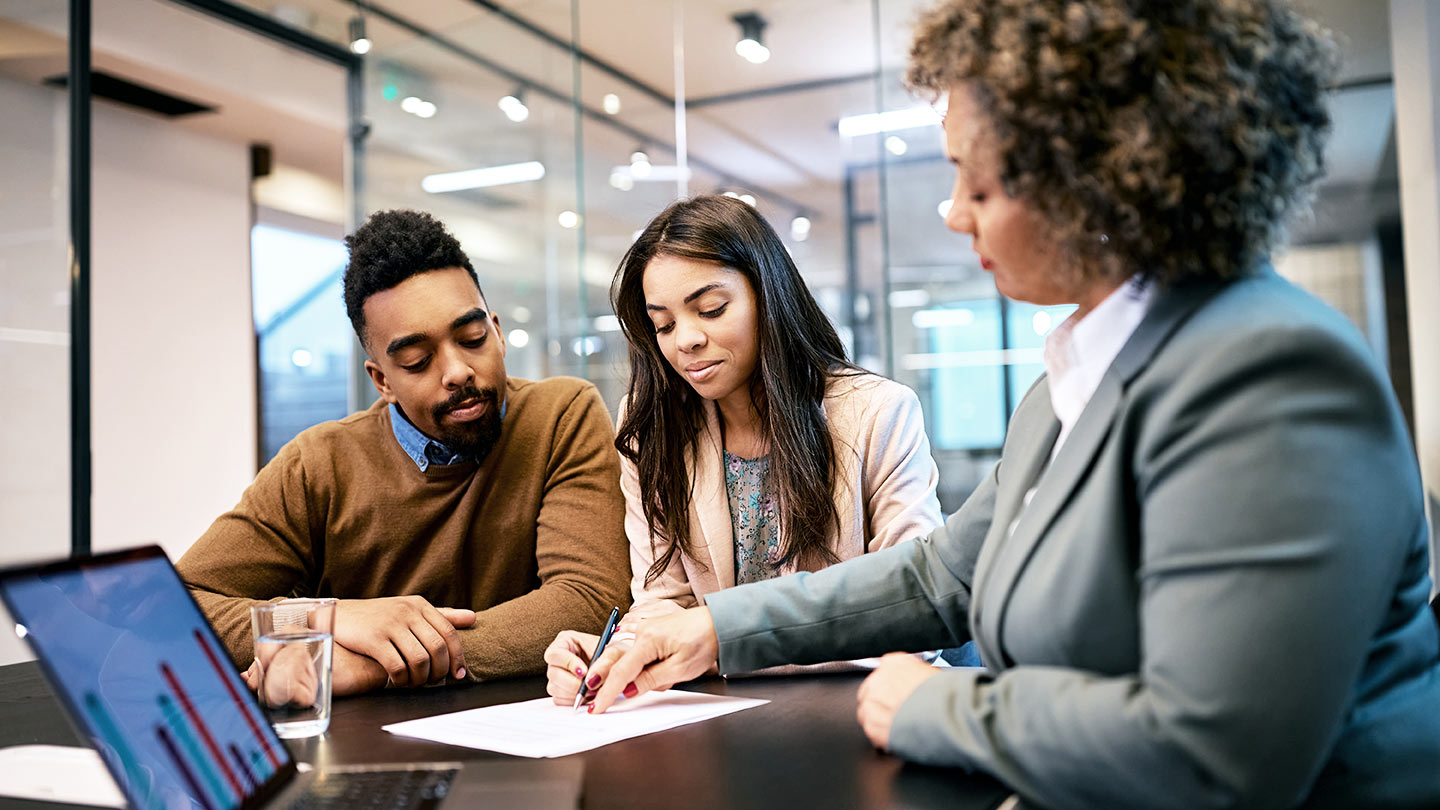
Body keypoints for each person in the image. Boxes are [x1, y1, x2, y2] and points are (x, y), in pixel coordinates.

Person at [578, 2, 1440, 808]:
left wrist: (940, 707)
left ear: (1103, 181)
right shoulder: (1071, 381)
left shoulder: (1271, 374)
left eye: (978, 186)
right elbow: (942, 573)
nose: (954, 215)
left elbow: (1217, 751)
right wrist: (715, 631)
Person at [178, 209, 630, 696]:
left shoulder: (560, 415)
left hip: (535, 743)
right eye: (417, 361)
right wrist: (327, 620)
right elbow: (175, 608)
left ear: (497, 333)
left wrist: (374, 667)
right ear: (382, 381)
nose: (457, 370)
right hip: (365, 753)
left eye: (473, 339)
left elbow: (587, 599)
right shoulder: (319, 465)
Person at [544, 195, 943, 701]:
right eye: (662, 324)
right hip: (716, 720)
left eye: (710, 310)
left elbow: (913, 614)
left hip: (856, 712)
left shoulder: (878, 413)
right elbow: (663, 600)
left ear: (767, 295)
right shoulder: (651, 425)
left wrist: (724, 642)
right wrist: (624, 650)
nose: (685, 340)